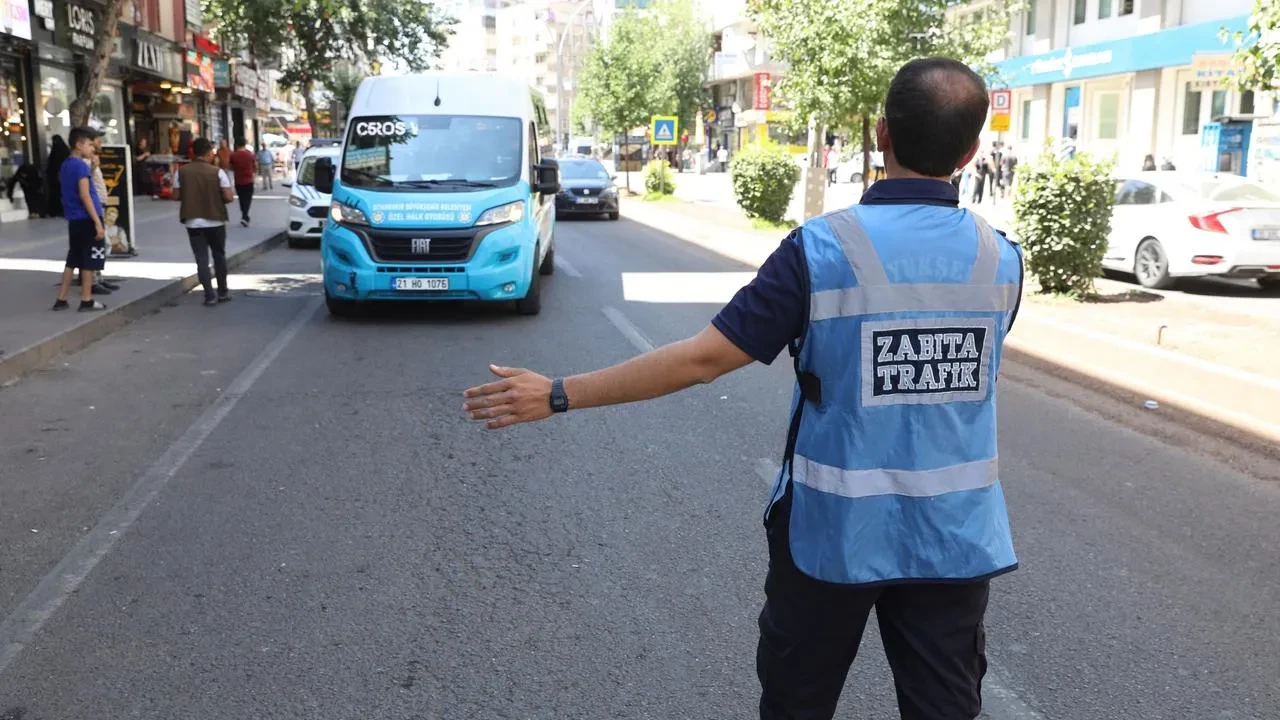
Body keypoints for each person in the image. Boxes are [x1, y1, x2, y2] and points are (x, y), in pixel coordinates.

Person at [462, 56, 1023, 720]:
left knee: (797, 704)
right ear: (971, 150)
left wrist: (559, 392)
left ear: (881, 134)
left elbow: (701, 360)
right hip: (953, 540)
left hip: (832, 535)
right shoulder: (1001, 259)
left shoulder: (820, 250)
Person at [52, 127, 108, 313]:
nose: (93, 149)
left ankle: (61, 298)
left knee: (72, 259)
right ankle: (86, 299)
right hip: (87, 218)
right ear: (79, 144)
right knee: (89, 261)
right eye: (90, 144)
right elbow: (86, 196)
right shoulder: (80, 166)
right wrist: (98, 223)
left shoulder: (66, 165)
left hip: (74, 219)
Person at [174, 138, 235, 306]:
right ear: (209, 153)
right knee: (219, 256)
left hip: (193, 222)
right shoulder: (217, 172)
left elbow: (175, 195)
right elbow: (229, 197)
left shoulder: (182, 171)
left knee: (201, 259)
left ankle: (209, 295)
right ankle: (222, 292)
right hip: (215, 221)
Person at [228, 137, 257, 226]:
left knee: (241, 199)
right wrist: (254, 175)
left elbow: (230, 167)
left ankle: (244, 216)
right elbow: (255, 166)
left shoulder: (233, 155)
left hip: (238, 181)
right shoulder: (250, 155)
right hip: (248, 180)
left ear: (236, 145)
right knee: (247, 199)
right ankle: (245, 216)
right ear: (245, 144)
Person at [44, 135, 70, 218]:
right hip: (57, 179)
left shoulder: (59, 152)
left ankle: (58, 210)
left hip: (58, 178)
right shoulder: (64, 151)